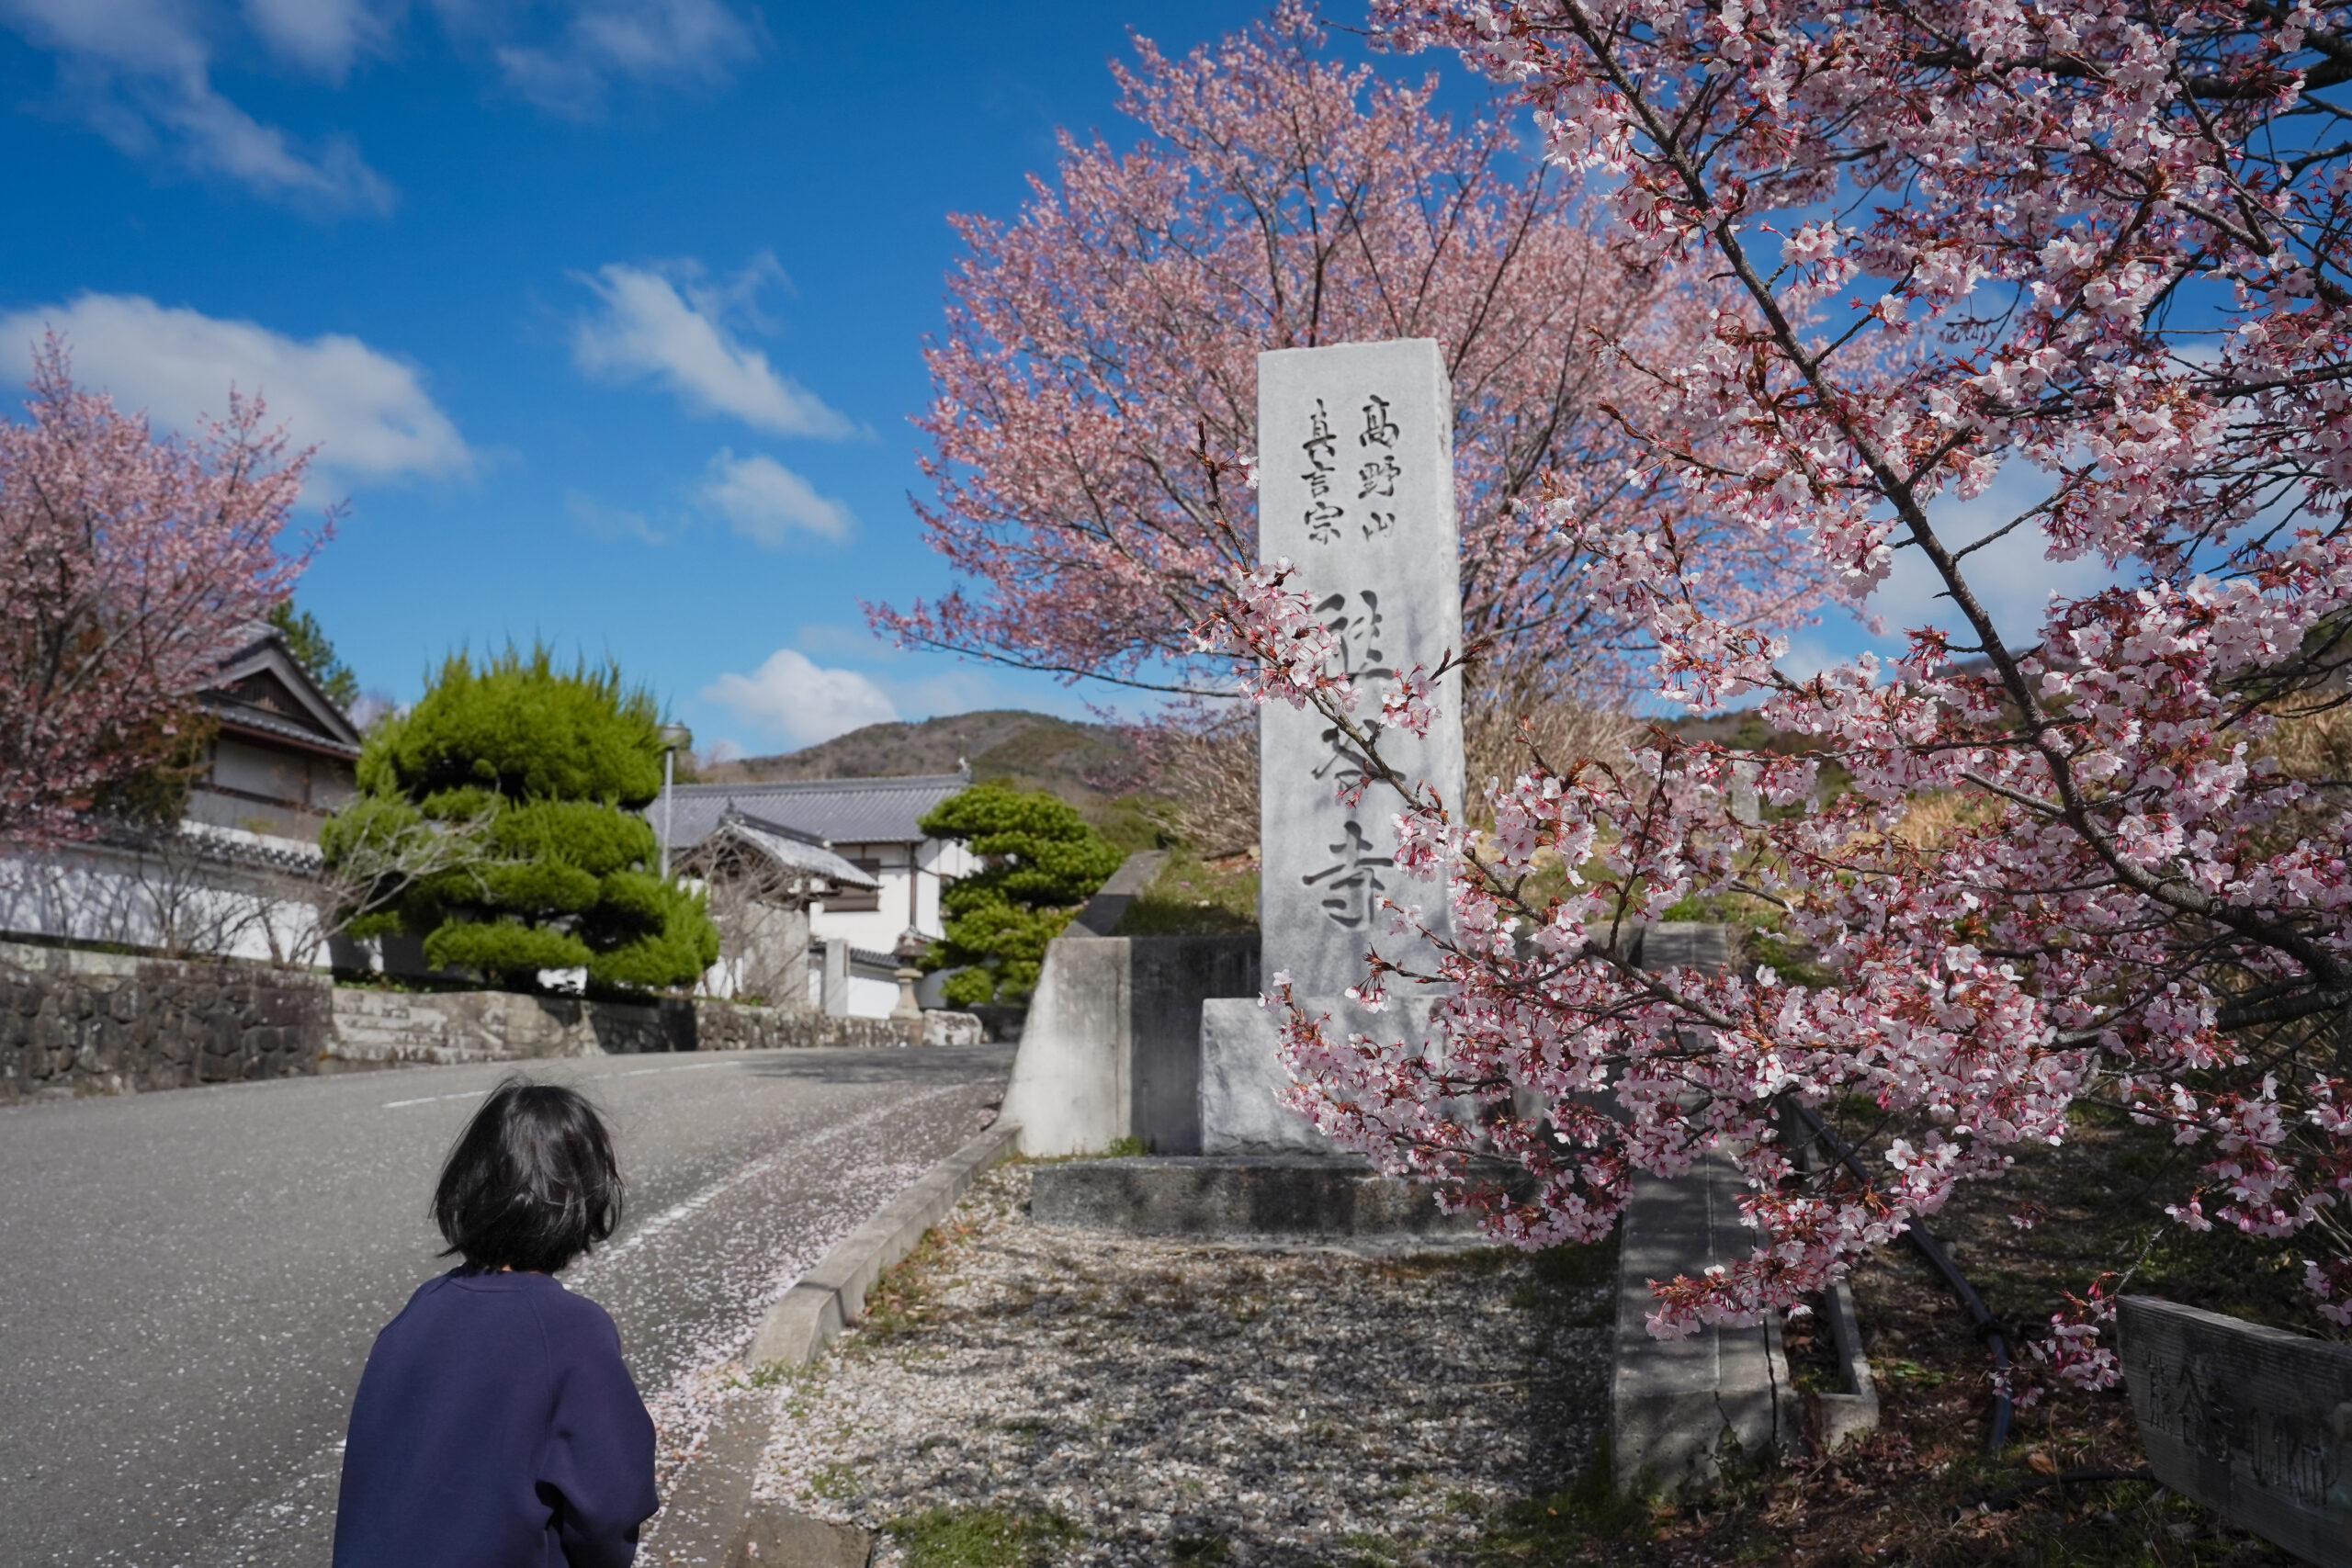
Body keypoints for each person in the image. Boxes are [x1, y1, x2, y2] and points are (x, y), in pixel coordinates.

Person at [333, 1077, 659, 1568]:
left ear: (469, 1182)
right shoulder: (573, 1332)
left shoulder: (419, 1310)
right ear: (584, 1199)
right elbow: (611, 1503)